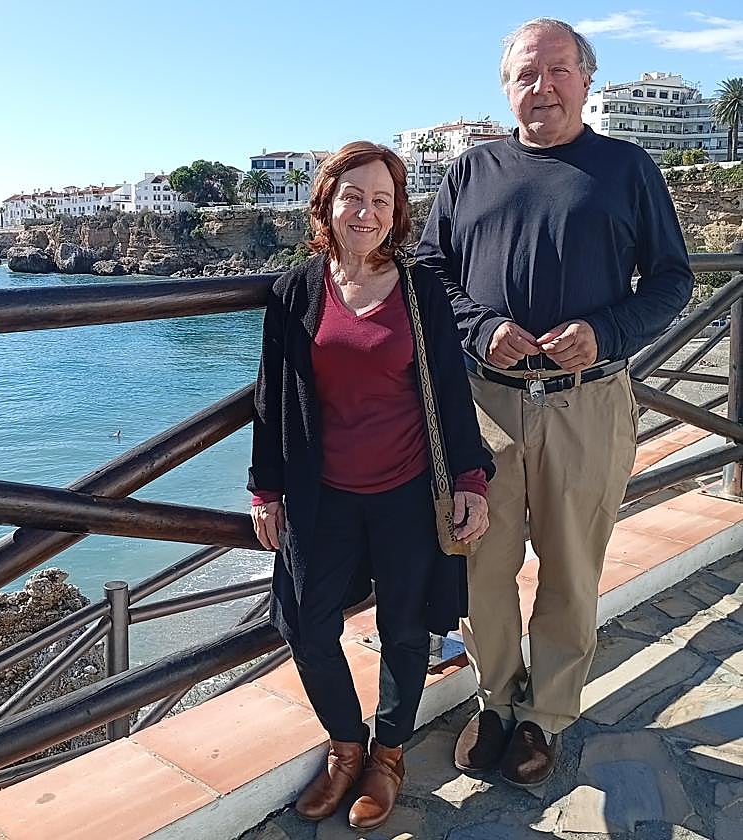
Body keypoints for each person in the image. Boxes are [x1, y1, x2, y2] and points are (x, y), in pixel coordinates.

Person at [417, 18, 694, 788]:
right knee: (481, 566)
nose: (543, 87)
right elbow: (431, 271)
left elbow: (673, 280)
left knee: (573, 569)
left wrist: (606, 331)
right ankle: (496, 700)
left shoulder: (628, 167)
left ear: (586, 79)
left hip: (588, 403)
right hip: (485, 404)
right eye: (526, 75)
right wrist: (481, 328)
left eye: (559, 71)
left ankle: (548, 715)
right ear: (507, 88)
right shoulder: (471, 171)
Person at [248, 141, 494, 830]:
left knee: (406, 629)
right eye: (353, 195)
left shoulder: (419, 293)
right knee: (304, 622)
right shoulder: (295, 292)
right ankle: (344, 742)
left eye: (382, 199)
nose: (366, 210)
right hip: (322, 493)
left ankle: (388, 754)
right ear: (327, 200)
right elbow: (273, 400)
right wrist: (266, 489)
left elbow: (450, 388)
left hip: (408, 492)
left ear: (397, 213)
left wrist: (469, 479)